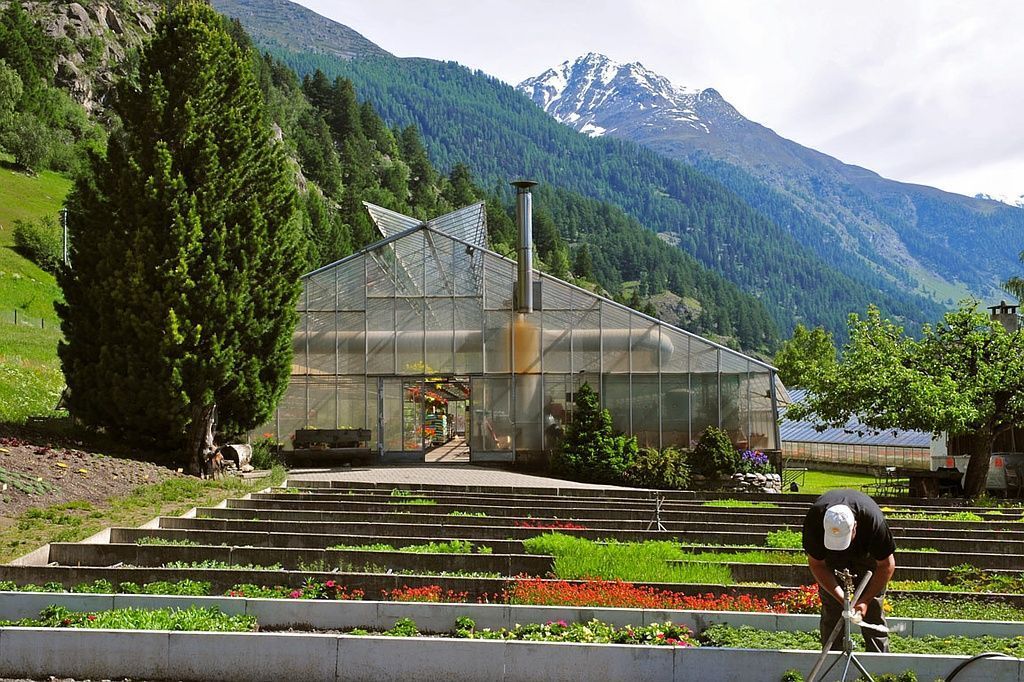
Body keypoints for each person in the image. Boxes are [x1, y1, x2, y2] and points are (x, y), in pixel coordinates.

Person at [801, 488, 896, 653]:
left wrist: (864, 600)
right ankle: (832, 663)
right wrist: (840, 598)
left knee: (872, 612)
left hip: (867, 559)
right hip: (830, 561)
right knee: (832, 610)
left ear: (855, 527)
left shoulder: (873, 521)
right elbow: (817, 565)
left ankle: (879, 667)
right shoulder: (815, 521)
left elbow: (886, 565)